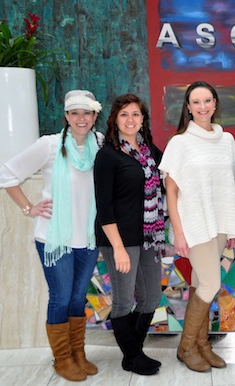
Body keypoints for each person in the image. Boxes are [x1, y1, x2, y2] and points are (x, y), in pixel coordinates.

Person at [0, 90, 103, 382]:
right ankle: (62, 358)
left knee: (79, 296)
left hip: (89, 237)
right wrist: (29, 208)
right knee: (60, 297)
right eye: (75, 113)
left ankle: (78, 352)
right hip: (54, 238)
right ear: (66, 116)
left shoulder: (101, 143)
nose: (81, 118)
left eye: (87, 112)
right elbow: (5, 175)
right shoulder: (49, 145)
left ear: (95, 116)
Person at [159, 81, 235, 372]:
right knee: (211, 284)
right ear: (188, 107)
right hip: (194, 225)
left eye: (207, 100)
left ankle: (202, 345)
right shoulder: (179, 143)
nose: (203, 106)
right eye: (196, 102)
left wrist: (233, 229)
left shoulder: (227, 140)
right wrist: (178, 232)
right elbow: (171, 192)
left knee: (199, 283)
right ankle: (186, 346)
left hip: (218, 224)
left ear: (215, 104)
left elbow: (231, 186)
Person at [94, 94, 165, 376]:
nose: (131, 120)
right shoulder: (108, 154)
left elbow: (171, 174)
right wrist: (119, 248)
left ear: (143, 119)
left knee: (151, 297)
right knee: (124, 300)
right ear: (115, 120)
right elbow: (104, 207)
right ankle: (134, 356)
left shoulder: (150, 152)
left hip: (149, 236)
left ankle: (132, 351)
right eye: (124, 114)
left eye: (136, 114)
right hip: (119, 239)